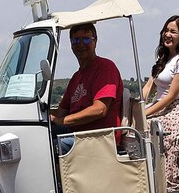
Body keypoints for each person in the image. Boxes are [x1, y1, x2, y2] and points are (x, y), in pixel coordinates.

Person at [51, 23, 124, 153]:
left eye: (85, 39)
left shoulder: (105, 67)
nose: (80, 44)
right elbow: (62, 110)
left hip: (98, 138)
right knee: (40, 134)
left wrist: (61, 121)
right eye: (75, 40)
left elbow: (99, 110)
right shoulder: (76, 77)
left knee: (48, 146)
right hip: (77, 132)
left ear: (95, 41)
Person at [142, 16, 179, 190]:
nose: (168, 34)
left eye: (173, 31)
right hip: (158, 104)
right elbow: (149, 86)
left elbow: (170, 97)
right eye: (166, 30)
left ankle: (164, 178)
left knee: (153, 127)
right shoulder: (162, 58)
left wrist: (146, 114)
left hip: (174, 108)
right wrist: (138, 105)